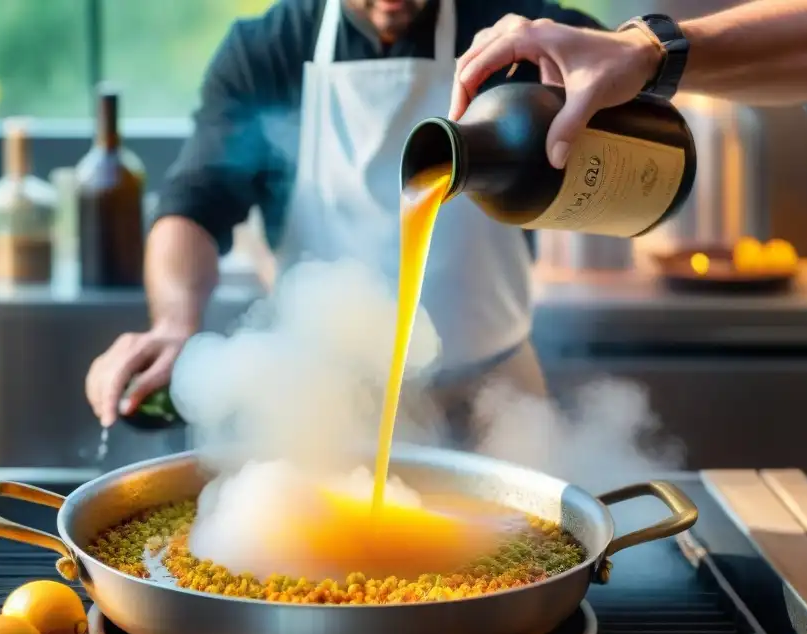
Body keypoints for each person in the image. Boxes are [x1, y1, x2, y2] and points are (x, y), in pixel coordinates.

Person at [85, 0, 604, 447]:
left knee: (528, 559)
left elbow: (629, 70)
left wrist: (645, 56)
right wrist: (175, 322)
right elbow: (194, 205)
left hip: (494, 404)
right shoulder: (269, 49)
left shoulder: (512, 31)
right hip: (323, 411)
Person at [447, 0, 807, 535]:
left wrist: (644, 49)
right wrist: (649, 49)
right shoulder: (303, 29)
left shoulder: (498, 22)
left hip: (498, 365)